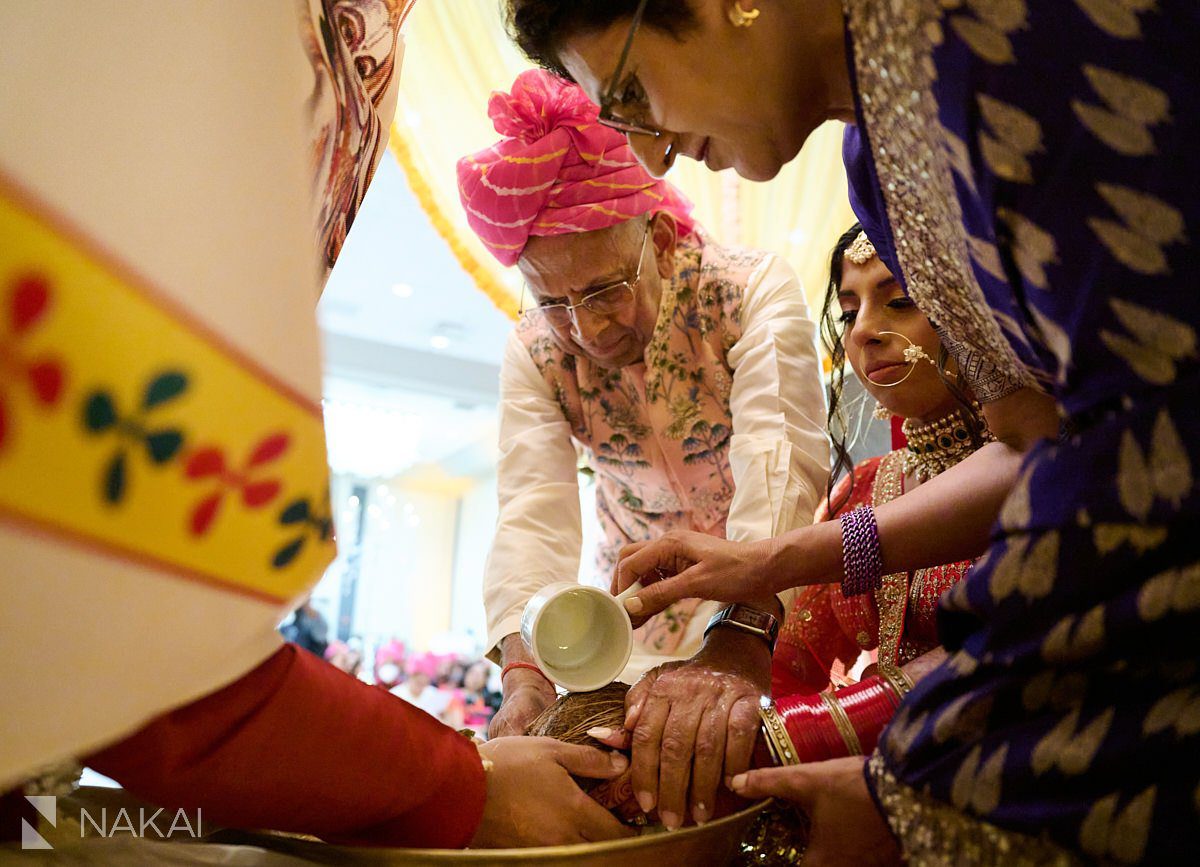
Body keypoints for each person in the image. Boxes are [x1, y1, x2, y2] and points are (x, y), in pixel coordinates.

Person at [504, 0, 1199, 863]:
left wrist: (922, 779)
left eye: (635, 93)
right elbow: (1031, 446)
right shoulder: (876, 161)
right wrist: (770, 565)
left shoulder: (1002, 36)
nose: (652, 150)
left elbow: (1149, 452)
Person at [0, 1, 633, 851]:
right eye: (555, 299)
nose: (584, 324)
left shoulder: (368, 40)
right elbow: (148, 663)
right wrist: (468, 772)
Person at [458, 69, 830, 831]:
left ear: (657, 237)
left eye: (603, 290)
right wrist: (524, 671)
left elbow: (781, 460)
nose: (588, 330)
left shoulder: (747, 290)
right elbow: (531, 514)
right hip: (623, 638)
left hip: (777, 615)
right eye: (555, 302)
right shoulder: (535, 350)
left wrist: (744, 631)